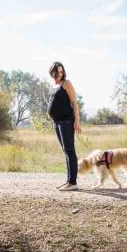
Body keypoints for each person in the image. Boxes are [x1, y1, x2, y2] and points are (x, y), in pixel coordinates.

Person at [47, 61, 82, 191]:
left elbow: (74, 102)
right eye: (58, 71)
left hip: (66, 122)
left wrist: (77, 120)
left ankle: (73, 182)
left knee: (70, 151)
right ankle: (69, 181)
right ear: (52, 72)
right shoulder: (54, 85)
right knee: (66, 152)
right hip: (57, 122)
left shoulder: (66, 84)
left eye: (62, 71)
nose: (60, 74)